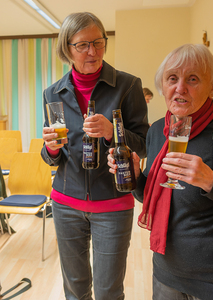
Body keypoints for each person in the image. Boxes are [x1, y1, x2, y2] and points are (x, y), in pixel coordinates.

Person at [107, 44, 213, 300]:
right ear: (162, 86)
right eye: (172, 79)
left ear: (212, 87)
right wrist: (135, 179)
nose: (180, 88)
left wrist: (212, 182)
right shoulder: (158, 131)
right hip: (166, 274)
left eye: (192, 79)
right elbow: (156, 198)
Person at [41, 12, 149, 300]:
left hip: (113, 205)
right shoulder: (52, 93)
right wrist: (51, 148)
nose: (93, 51)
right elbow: (53, 155)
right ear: (67, 49)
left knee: (108, 292)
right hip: (65, 204)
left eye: (98, 42)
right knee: (75, 290)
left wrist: (113, 131)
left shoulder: (128, 85)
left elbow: (145, 145)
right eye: (83, 45)